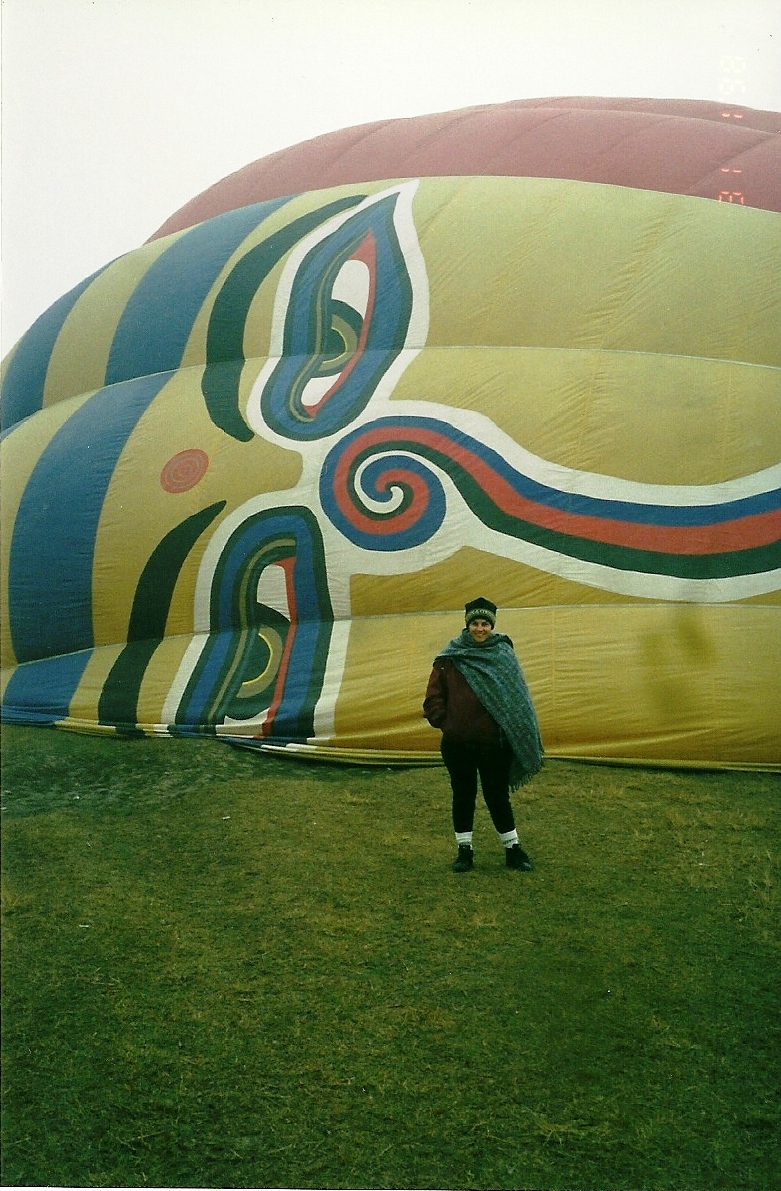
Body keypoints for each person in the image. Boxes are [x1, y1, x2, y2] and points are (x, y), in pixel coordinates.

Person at [423, 597, 543, 872]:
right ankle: (464, 851)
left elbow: (517, 698)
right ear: (467, 626)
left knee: (497, 795)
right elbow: (433, 697)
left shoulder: (503, 655)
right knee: (463, 795)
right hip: (458, 744)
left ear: (492, 626)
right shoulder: (449, 659)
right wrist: (448, 722)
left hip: (494, 745)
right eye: (475, 623)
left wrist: (510, 728)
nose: (480, 629)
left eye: (485, 623)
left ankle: (513, 849)